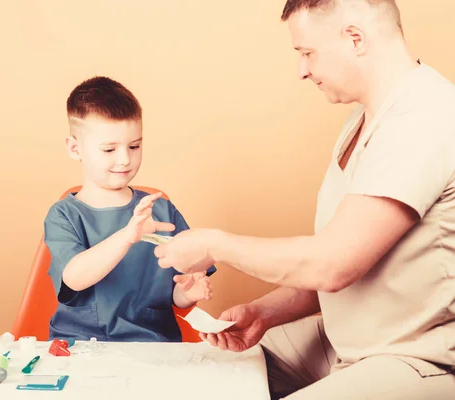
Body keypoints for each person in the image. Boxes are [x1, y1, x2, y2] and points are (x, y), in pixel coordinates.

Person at [154, 0, 455, 398]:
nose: (302, 70)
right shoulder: (363, 120)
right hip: (344, 343)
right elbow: (351, 261)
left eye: (307, 52)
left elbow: (332, 265)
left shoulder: (424, 118)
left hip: (415, 359)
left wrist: (216, 245)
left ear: (355, 38)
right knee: (209, 376)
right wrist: (264, 313)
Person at [43, 76, 215, 342]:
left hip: (151, 346)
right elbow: (74, 278)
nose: (125, 159)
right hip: (81, 347)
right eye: (109, 149)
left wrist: (187, 294)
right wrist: (128, 235)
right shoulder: (64, 215)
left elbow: (173, 296)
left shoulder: (161, 212)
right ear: (76, 148)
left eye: (134, 146)